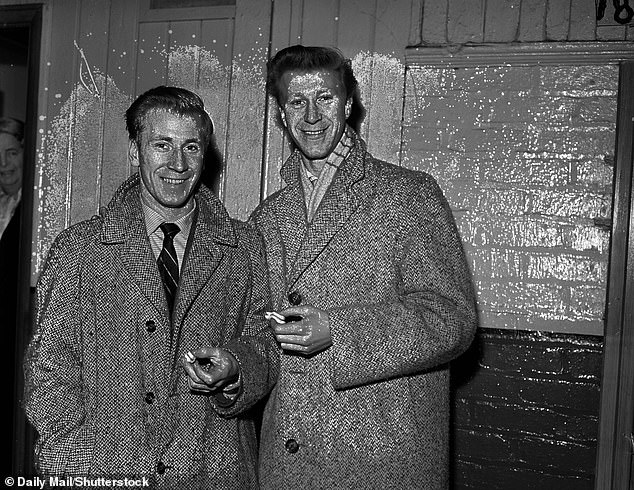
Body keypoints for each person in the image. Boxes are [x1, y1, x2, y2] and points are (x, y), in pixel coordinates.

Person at [24, 86, 278, 488]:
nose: (178, 163)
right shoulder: (79, 248)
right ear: (134, 151)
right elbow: (49, 366)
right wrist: (73, 461)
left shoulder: (244, 246)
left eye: (191, 147)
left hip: (215, 471)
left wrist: (236, 371)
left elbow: (266, 344)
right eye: (163, 144)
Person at [249, 45, 478, 489]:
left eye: (325, 98)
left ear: (349, 103)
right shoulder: (268, 216)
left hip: (382, 455)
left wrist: (339, 332)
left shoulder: (407, 195)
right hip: (291, 453)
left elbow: (452, 317)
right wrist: (236, 370)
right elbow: (264, 331)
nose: (312, 116)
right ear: (280, 113)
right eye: (297, 101)